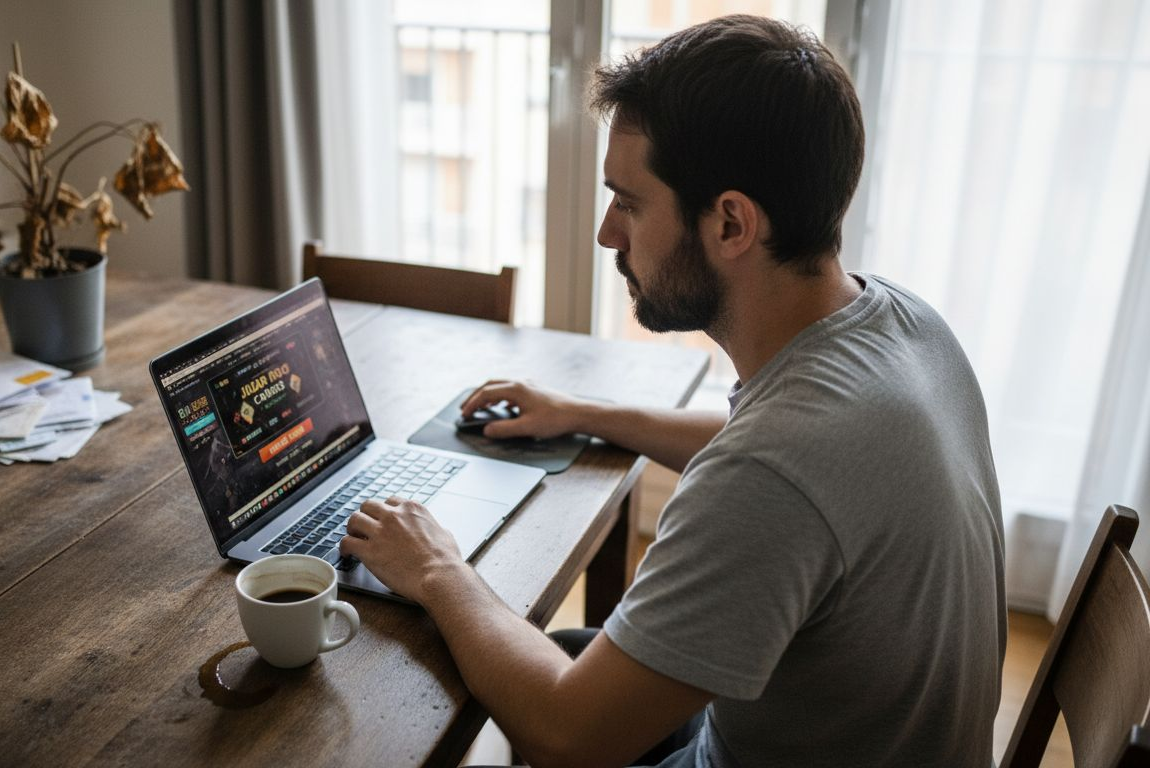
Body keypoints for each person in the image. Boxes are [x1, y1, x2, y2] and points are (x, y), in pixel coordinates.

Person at [339, 14, 1005, 768]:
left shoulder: (775, 471)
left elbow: (567, 737)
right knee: (554, 647)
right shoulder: (902, 324)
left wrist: (435, 567)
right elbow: (767, 456)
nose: (606, 234)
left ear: (730, 223)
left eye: (628, 202)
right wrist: (582, 413)